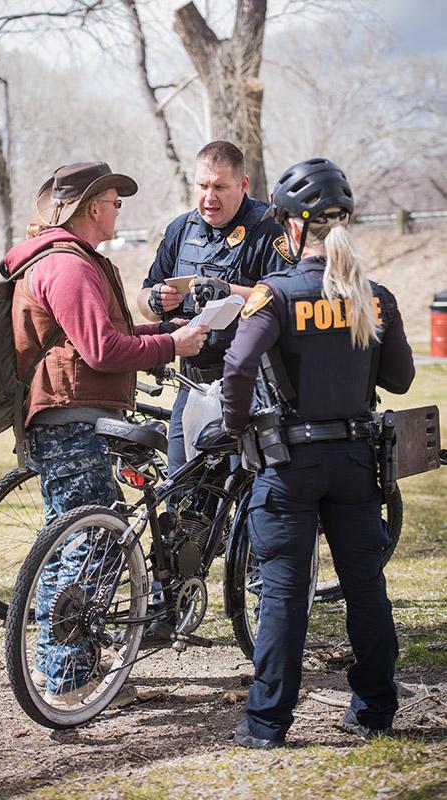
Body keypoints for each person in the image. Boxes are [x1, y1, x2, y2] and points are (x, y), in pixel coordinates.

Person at [222, 157, 415, 748]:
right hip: (358, 465)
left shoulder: (274, 296)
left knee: (282, 594)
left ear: (292, 229)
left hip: (288, 465)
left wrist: (236, 425)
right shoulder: (373, 298)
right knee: (365, 588)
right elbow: (402, 379)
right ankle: (377, 710)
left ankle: (267, 724)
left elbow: (237, 365)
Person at [3, 161, 207, 708]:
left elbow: (106, 334)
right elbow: (100, 350)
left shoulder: (73, 260)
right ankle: (69, 675)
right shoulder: (67, 266)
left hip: (71, 413)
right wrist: (174, 347)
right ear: (93, 207)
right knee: (94, 543)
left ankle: (56, 664)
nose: (120, 209)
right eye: (116, 200)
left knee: (68, 542)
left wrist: (164, 332)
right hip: (73, 416)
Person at [137, 140, 288, 478]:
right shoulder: (181, 228)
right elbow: (144, 296)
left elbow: (285, 301)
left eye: (220, 186)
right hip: (192, 385)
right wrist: (154, 301)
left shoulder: (268, 229)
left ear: (243, 185)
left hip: (253, 386)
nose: (209, 197)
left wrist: (228, 291)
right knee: (182, 491)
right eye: (203, 185)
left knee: (249, 492)